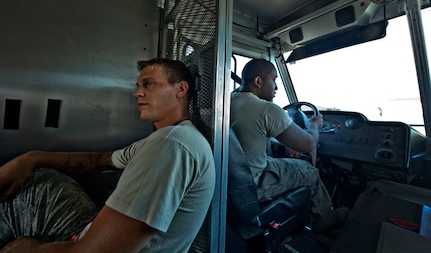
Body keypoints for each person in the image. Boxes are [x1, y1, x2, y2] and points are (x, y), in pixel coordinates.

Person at [0, 58, 216, 252]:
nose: (138, 93)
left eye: (149, 84)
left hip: (82, 244)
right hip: (87, 234)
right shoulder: (159, 141)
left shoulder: (171, 145)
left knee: (25, 194)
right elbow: (97, 161)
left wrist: (28, 249)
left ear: (180, 89)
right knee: (37, 176)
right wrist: (30, 159)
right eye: (138, 86)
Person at [230, 58, 348, 233]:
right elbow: (308, 144)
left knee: (284, 161)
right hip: (253, 183)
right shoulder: (266, 109)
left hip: (234, 176)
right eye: (274, 80)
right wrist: (314, 125)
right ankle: (324, 219)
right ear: (258, 81)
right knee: (310, 171)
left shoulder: (230, 99)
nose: (276, 87)